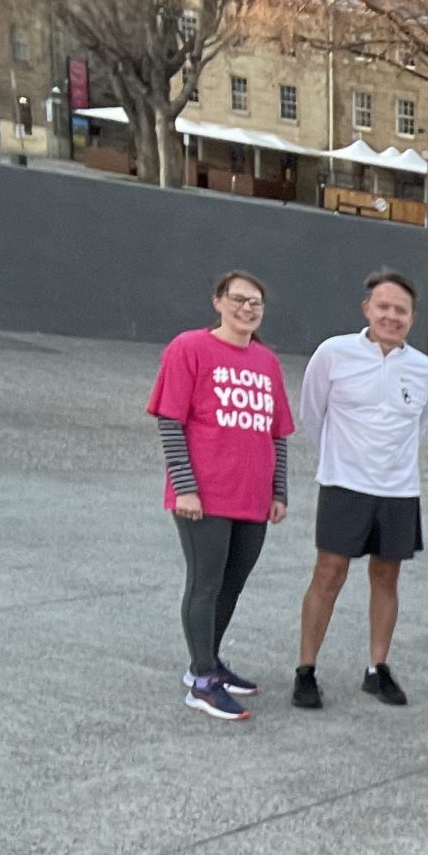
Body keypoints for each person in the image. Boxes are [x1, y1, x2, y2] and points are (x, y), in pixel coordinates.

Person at [289, 268, 428, 710]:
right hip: (345, 485)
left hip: (398, 491)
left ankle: (377, 668)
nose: (391, 316)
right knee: (328, 574)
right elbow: (313, 414)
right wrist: (340, 460)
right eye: (383, 307)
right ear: (367, 309)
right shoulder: (333, 354)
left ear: (413, 318)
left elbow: (420, 424)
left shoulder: (426, 371)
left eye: (401, 310)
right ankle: (306, 669)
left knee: (387, 577)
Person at [148, 269, 293, 723]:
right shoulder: (189, 348)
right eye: (238, 299)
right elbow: (170, 421)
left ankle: (209, 660)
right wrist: (185, 487)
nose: (247, 308)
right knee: (205, 583)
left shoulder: (267, 362)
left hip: (252, 497)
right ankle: (202, 680)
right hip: (204, 496)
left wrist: (278, 491)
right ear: (218, 301)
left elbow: (277, 434)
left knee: (232, 583)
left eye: (256, 302)